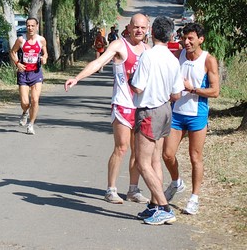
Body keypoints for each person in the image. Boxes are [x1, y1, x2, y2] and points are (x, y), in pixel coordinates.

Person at [65, 13, 151, 204]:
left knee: (138, 151)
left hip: (141, 106)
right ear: (128, 27)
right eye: (135, 27)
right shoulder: (119, 45)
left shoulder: (148, 49)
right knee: (121, 147)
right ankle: (111, 189)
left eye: (143, 28)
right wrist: (77, 78)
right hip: (122, 104)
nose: (139, 31)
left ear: (148, 29)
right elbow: (98, 62)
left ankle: (133, 190)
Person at [130, 16, 184, 225]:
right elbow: (177, 94)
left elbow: (138, 87)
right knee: (155, 160)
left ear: (151, 32)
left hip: (148, 111)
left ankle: (164, 207)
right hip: (165, 110)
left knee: (143, 163)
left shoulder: (148, 56)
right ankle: (154, 205)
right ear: (171, 35)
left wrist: (130, 79)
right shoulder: (172, 59)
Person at [162, 23, 219, 215]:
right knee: (167, 155)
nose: (186, 42)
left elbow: (215, 91)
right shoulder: (178, 55)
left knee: (195, 157)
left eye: (190, 39)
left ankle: (194, 198)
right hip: (177, 112)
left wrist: (192, 89)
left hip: (197, 114)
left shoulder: (208, 60)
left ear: (200, 39)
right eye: (184, 38)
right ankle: (177, 182)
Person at [9, 17, 48, 135]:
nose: (30, 28)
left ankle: (31, 124)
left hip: (36, 73)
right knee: (25, 102)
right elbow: (12, 52)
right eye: (28, 26)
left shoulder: (41, 40)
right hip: (23, 73)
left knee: (35, 100)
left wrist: (44, 58)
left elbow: (45, 53)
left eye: (32, 26)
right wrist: (17, 63)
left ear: (37, 26)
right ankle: (25, 112)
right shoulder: (21, 40)